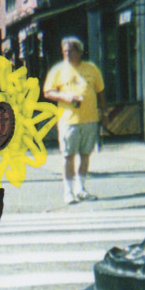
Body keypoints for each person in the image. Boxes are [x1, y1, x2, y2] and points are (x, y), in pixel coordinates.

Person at [43, 36, 105, 203]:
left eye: (71, 51)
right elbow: (47, 92)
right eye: (65, 51)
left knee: (85, 155)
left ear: (79, 52)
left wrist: (104, 114)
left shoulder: (91, 69)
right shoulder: (58, 70)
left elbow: (100, 92)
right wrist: (66, 97)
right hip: (68, 121)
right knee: (68, 156)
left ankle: (81, 188)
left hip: (89, 119)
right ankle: (68, 191)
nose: (67, 54)